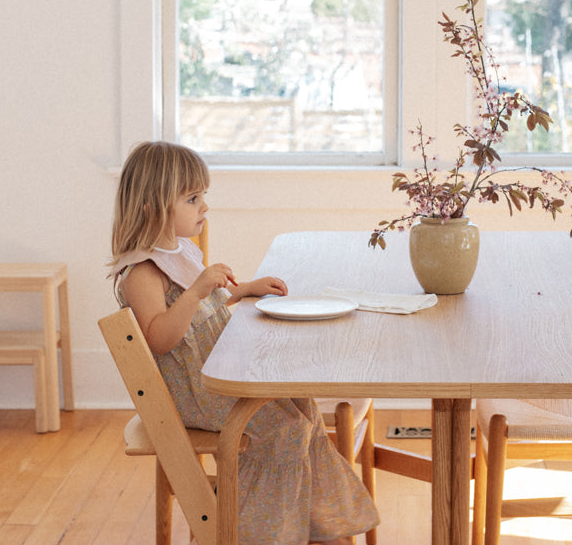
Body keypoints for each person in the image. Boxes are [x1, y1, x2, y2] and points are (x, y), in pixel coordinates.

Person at [109, 141, 379, 544]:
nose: (204, 207)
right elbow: (161, 338)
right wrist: (197, 291)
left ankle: (312, 522)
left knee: (301, 403)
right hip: (196, 392)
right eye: (193, 198)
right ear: (153, 206)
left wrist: (243, 289)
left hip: (216, 374)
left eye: (203, 196)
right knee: (285, 432)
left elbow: (201, 311)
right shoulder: (142, 272)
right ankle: (264, 533)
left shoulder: (179, 249)